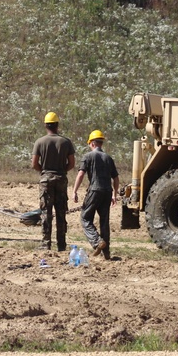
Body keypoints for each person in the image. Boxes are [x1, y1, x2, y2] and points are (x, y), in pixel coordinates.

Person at [31, 111, 76, 251]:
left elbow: (34, 164)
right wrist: (62, 171)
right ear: (57, 125)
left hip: (45, 179)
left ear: (46, 125)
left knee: (46, 212)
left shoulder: (39, 142)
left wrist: (43, 172)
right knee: (61, 212)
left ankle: (46, 243)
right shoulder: (66, 142)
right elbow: (72, 163)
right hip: (61, 178)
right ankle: (61, 244)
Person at [72, 129, 119, 259]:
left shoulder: (88, 156)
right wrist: (114, 194)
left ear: (92, 143)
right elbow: (115, 178)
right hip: (107, 192)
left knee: (85, 218)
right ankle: (106, 253)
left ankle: (97, 241)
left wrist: (75, 191)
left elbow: (81, 174)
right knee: (104, 222)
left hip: (94, 190)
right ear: (101, 143)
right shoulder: (108, 158)